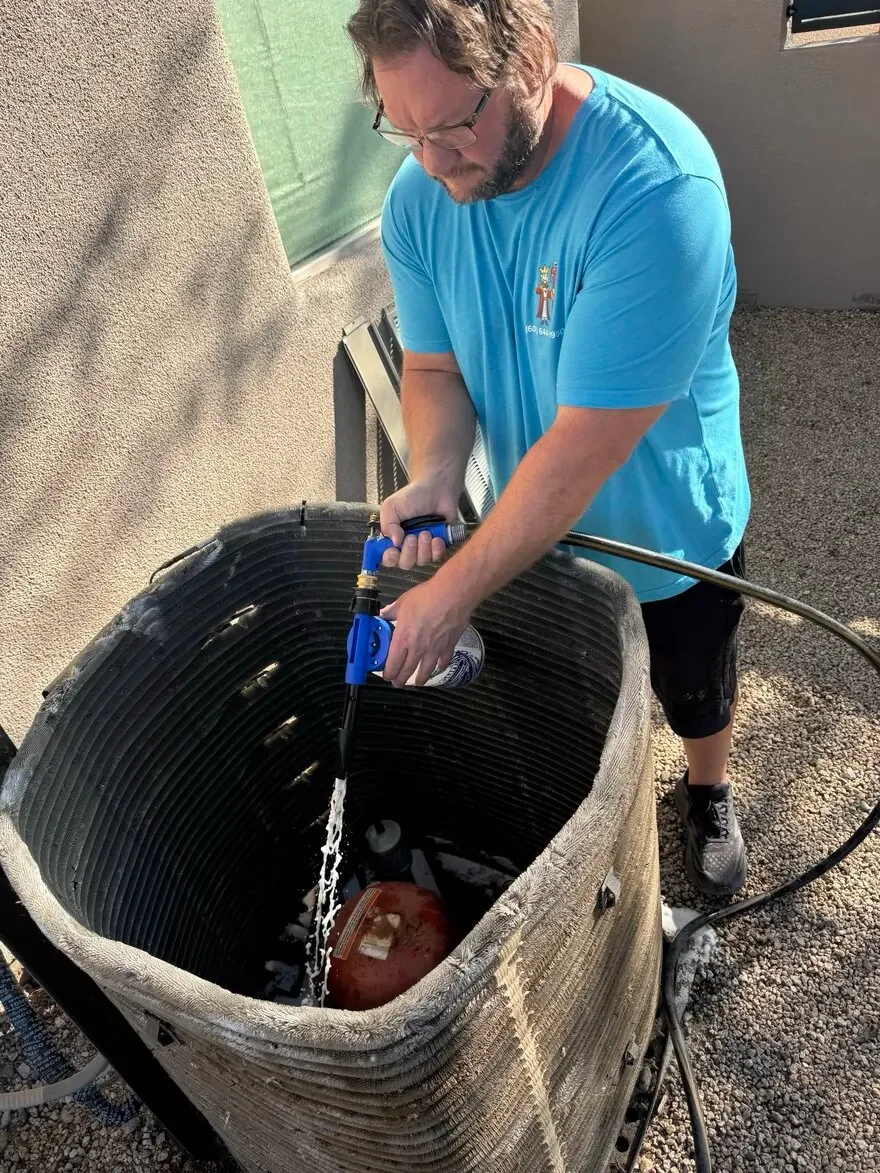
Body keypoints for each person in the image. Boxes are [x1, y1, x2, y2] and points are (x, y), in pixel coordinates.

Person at [345, 0, 751, 897]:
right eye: (402, 129)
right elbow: (434, 369)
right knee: (575, 702)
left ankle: (708, 787)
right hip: (534, 533)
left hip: (667, 524)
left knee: (696, 686)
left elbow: (585, 447)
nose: (434, 161)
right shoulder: (420, 198)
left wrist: (451, 592)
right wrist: (439, 474)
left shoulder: (655, 192)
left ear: (532, 54)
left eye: (453, 123)